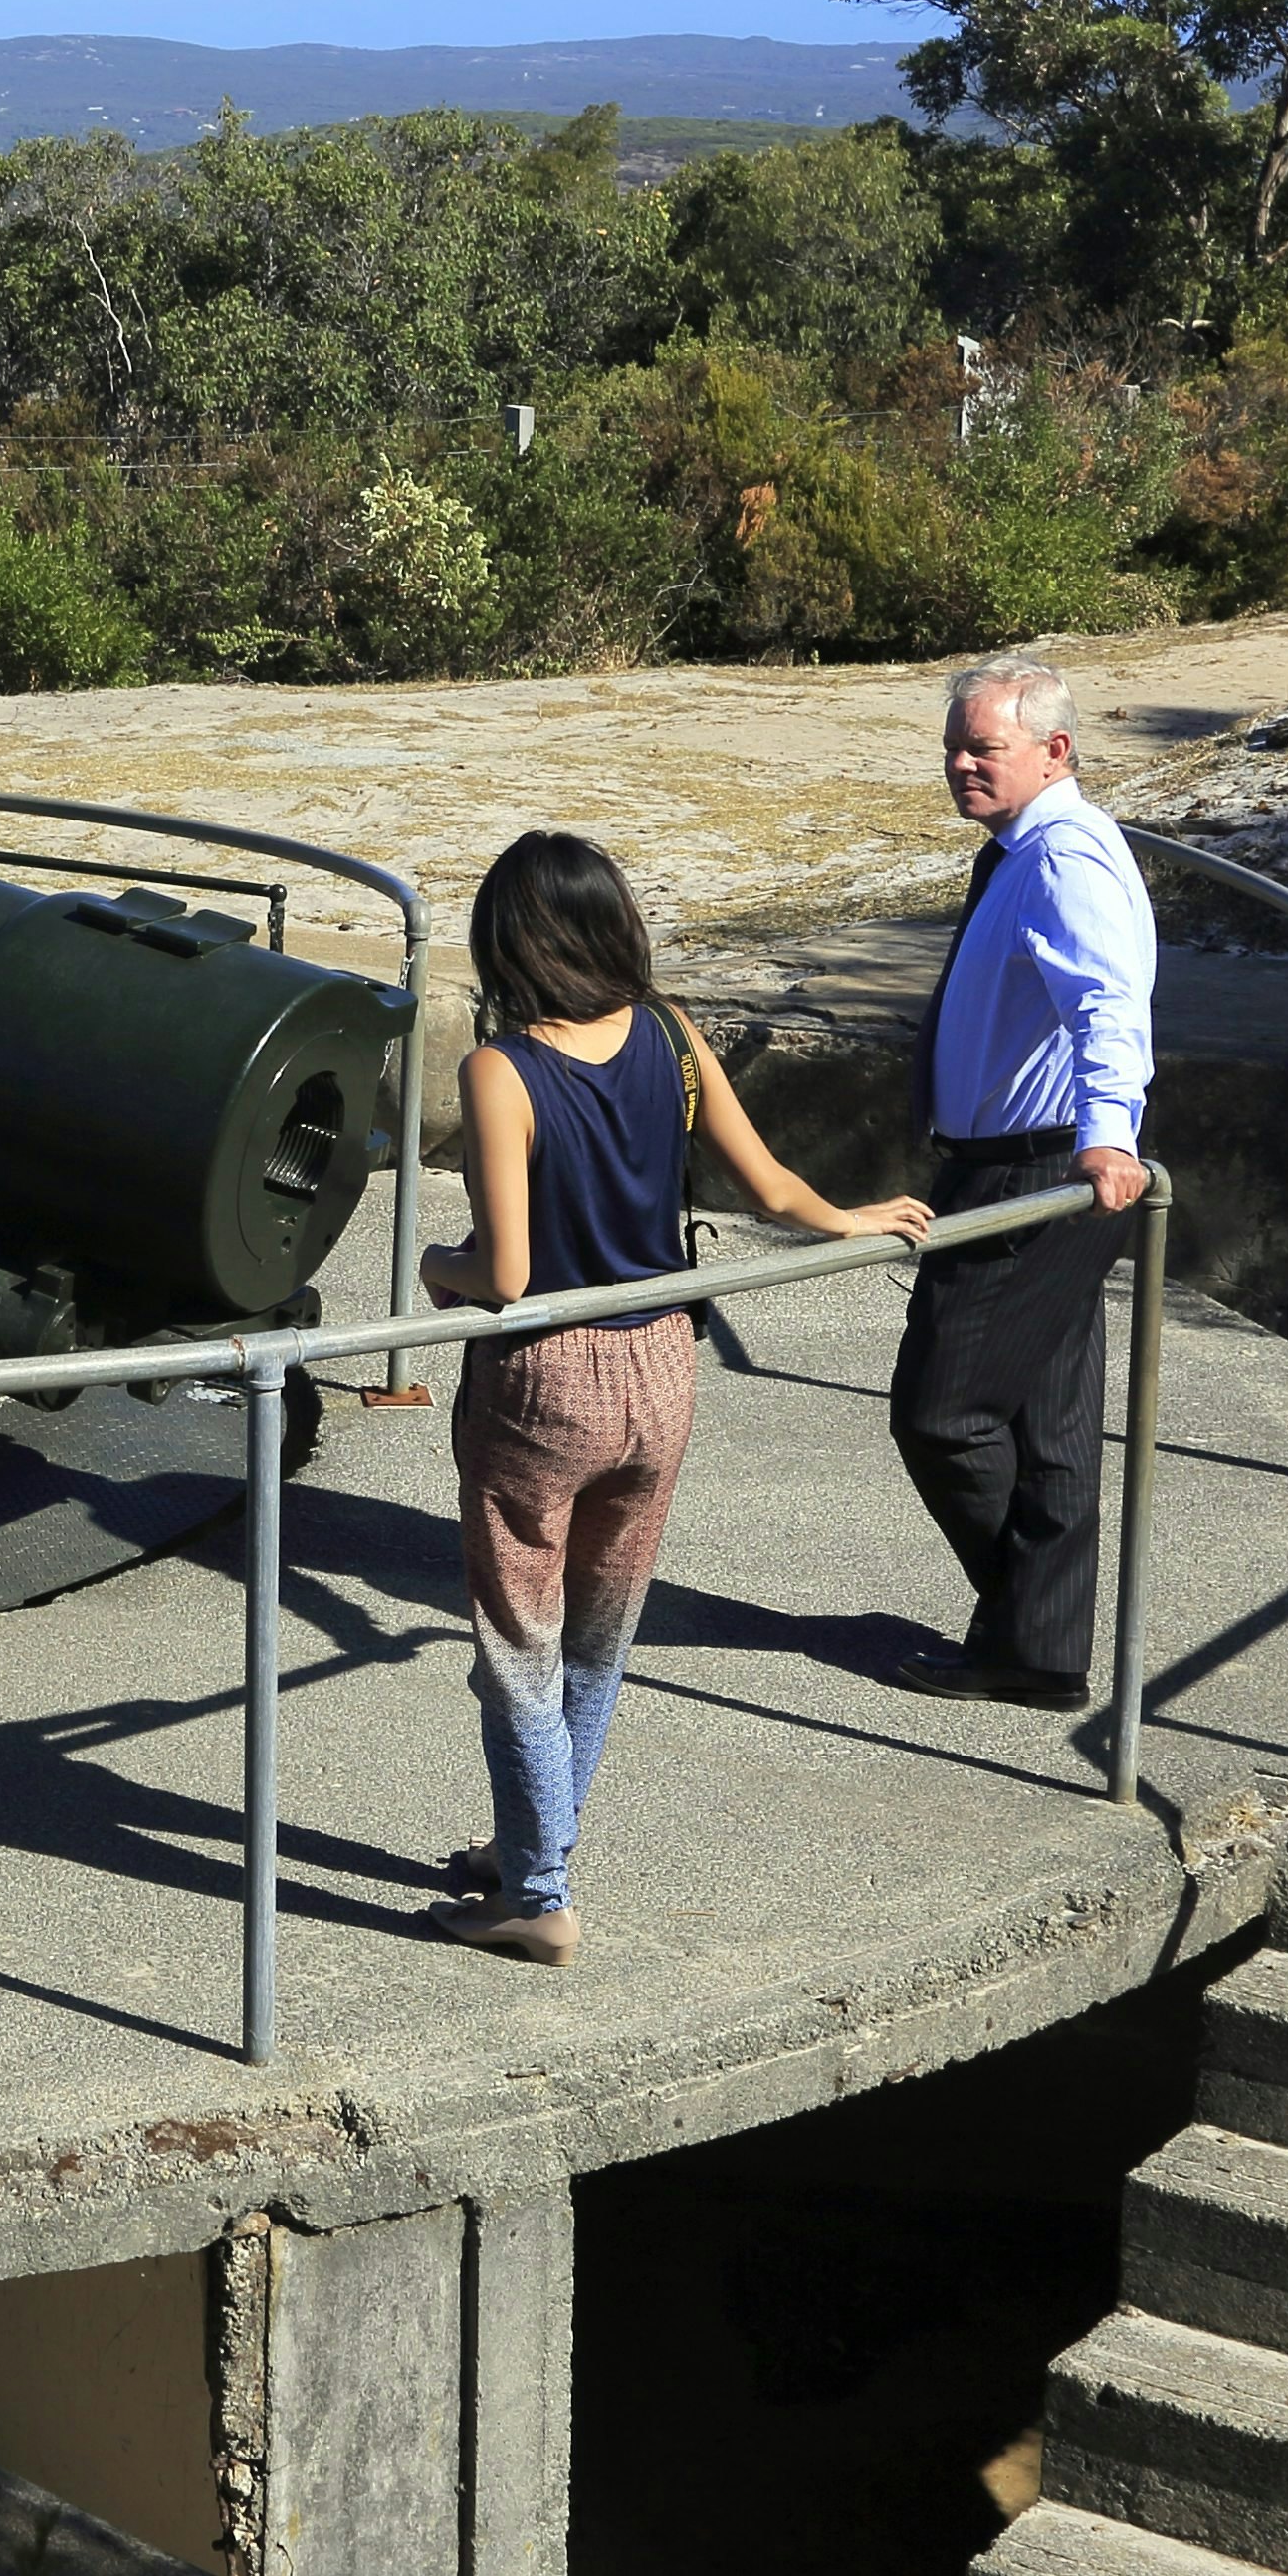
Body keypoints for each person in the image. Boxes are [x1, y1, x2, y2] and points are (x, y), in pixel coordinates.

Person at [409, 830, 926, 1962]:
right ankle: (533, 1844)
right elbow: (775, 1185)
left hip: (546, 1377)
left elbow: (500, 1276)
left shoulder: (499, 1070)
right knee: (598, 1636)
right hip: (662, 1365)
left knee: (517, 1642)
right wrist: (856, 1217)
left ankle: (536, 1897)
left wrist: (432, 1270)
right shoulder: (672, 1033)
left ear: (510, 943)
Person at [889, 649, 1158, 1707]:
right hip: (1009, 1156)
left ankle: (1024, 1625)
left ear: (1055, 750)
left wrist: (1106, 1137)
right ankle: (1038, 1654)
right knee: (1050, 1425)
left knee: (942, 1411)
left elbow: (1108, 1003)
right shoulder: (1023, 847)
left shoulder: (1063, 859)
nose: (960, 763)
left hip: (1042, 1168)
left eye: (982, 747)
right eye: (953, 745)